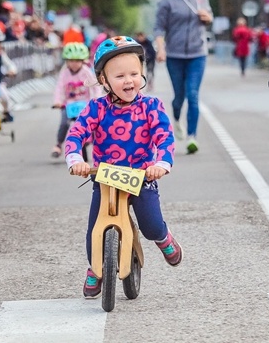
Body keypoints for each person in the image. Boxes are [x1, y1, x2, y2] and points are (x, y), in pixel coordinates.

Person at [65, 36, 182, 299]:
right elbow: (76, 134)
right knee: (95, 228)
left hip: (141, 177)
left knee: (150, 224)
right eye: (119, 76)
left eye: (134, 73)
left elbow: (164, 135)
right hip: (105, 179)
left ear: (142, 74)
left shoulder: (151, 106)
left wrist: (161, 163)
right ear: (103, 81)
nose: (128, 81)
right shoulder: (95, 108)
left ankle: (164, 238)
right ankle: (96, 269)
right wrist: (76, 160)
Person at [154, 0, 213, 154]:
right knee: (179, 96)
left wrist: (207, 18)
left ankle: (191, 136)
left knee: (193, 95)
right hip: (175, 55)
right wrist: (161, 49)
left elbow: (209, 16)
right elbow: (159, 28)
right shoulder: (166, 0)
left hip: (198, 53)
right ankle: (177, 116)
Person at [51, 42, 99, 158]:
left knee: (92, 123)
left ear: (83, 61)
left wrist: (96, 100)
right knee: (64, 123)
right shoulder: (65, 73)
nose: (74, 64)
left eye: (77, 61)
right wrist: (58, 101)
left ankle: (93, 142)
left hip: (84, 103)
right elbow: (59, 87)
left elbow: (95, 87)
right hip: (69, 104)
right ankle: (58, 144)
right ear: (66, 61)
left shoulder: (86, 72)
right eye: (71, 61)